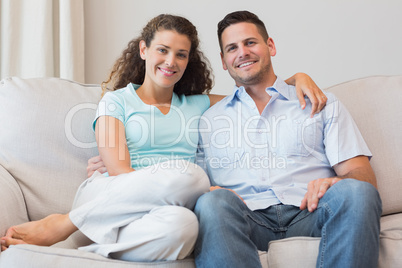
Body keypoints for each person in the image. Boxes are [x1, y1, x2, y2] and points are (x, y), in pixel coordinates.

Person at [0, 14, 326, 262]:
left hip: (165, 212)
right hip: (112, 199)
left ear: (189, 61)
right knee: (194, 176)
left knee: (185, 227)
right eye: (163, 50)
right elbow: (119, 174)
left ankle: (93, 248)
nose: (171, 62)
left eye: (181, 54)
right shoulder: (116, 102)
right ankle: (66, 223)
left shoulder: (198, 105)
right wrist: (193, 184)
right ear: (144, 50)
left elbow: (252, 90)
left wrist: (298, 78)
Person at [192, 11, 382, 268]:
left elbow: (361, 173)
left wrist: (335, 182)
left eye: (250, 43)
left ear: (270, 46)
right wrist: (208, 191)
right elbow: (197, 186)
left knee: (358, 192)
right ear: (224, 61)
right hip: (247, 218)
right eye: (232, 48)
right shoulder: (209, 119)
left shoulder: (320, 101)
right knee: (210, 202)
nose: (242, 52)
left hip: (313, 211)